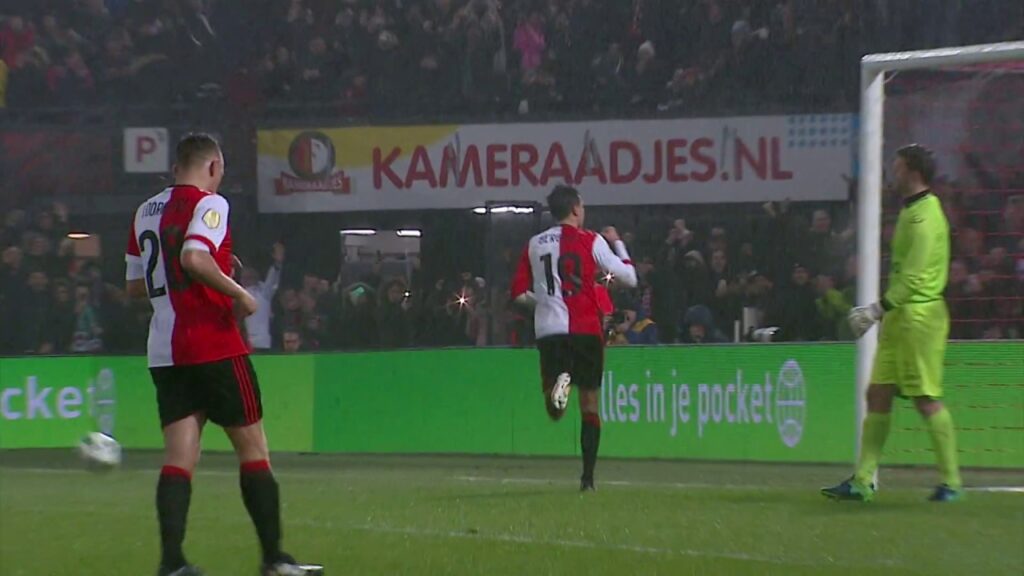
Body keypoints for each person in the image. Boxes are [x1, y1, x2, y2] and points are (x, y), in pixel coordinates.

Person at [125, 134, 321, 576]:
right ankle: (275, 559)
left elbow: (136, 285)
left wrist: (207, 269)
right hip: (214, 344)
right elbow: (195, 258)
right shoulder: (211, 204)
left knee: (178, 460)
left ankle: (171, 563)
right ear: (213, 166)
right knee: (254, 452)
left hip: (165, 352)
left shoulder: (144, 212)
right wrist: (241, 294)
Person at [823, 144, 962, 503]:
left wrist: (875, 310)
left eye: (896, 167)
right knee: (878, 393)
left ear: (912, 171)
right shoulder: (911, 211)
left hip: (919, 317)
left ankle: (951, 483)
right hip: (901, 316)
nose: (892, 173)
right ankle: (864, 481)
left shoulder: (926, 217)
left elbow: (915, 278)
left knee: (925, 398)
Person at [510, 185, 637, 491]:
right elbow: (629, 279)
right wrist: (617, 244)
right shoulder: (591, 240)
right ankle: (587, 479)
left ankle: (560, 381)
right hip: (585, 329)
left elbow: (517, 293)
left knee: (555, 411)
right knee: (590, 404)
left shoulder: (534, 244)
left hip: (550, 330)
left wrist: (541, 302)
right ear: (576, 209)